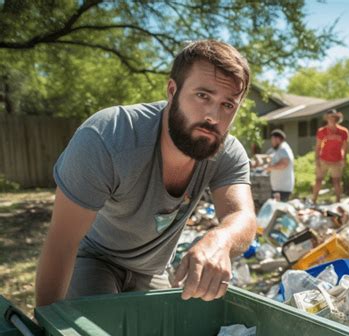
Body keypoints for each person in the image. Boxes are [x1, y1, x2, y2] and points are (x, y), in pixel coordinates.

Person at [35, 40, 257, 307]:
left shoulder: (227, 151)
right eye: (203, 96)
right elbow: (62, 243)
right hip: (94, 257)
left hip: (152, 270)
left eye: (228, 105)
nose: (213, 116)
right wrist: (46, 331)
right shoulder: (108, 137)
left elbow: (242, 215)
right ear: (172, 90)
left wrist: (220, 239)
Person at [313, 109, 349, 203]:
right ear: (327, 118)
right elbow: (318, 146)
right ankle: (313, 200)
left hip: (337, 159)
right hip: (324, 159)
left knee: (336, 181)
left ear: (337, 118)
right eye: (330, 117)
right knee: (318, 180)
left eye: (333, 117)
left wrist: (344, 159)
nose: (331, 119)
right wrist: (316, 159)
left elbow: (345, 146)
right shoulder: (322, 131)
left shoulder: (343, 131)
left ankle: (338, 201)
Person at [265, 129, 295, 202]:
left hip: (283, 189)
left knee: (279, 210)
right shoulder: (279, 149)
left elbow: (284, 164)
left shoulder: (284, 149)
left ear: (277, 139)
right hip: (278, 188)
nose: (271, 142)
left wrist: (269, 168)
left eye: (272, 140)